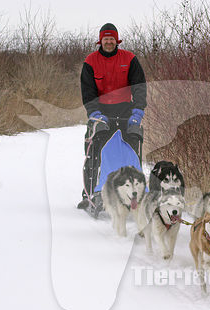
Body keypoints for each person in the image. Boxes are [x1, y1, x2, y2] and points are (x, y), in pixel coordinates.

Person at [77, 23, 147, 210]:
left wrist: (138, 112)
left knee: (133, 152)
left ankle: (135, 195)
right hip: (101, 112)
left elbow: (139, 86)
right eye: (106, 39)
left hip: (126, 111)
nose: (109, 42)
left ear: (117, 40)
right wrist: (95, 114)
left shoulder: (129, 59)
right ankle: (90, 193)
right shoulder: (91, 61)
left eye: (112, 39)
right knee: (94, 152)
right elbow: (88, 92)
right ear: (101, 40)